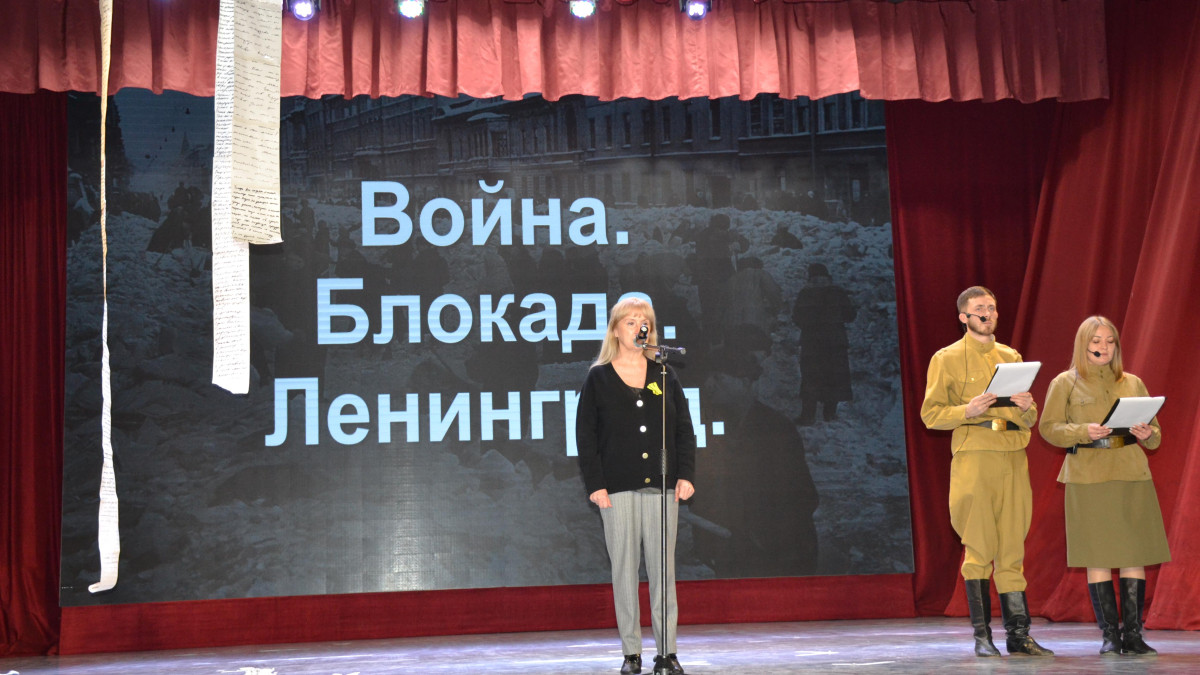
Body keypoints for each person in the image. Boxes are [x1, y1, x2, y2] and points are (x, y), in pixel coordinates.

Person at [920, 286, 1053, 658]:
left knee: (1012, 549)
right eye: (980, 308)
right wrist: (968, 410)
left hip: (1013, 454)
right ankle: (982, 637)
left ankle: (1019, 635)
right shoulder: (946, 358)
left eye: (992, 308)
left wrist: (1027, 406)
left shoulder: (1010, 357)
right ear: (963, 316)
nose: (988, 314)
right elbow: (930, 415)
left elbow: (1030, 417)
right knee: (978, 547)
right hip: (975, 455)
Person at [576, 297, 696, 675]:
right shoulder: (598, 378)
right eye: (630, 322)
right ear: (615, 330)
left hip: (662, 488)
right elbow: (586, 436)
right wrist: (596, 484)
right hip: (617, 488)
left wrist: (685, 474)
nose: (638, 327)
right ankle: (632, 653)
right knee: (624, 572)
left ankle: (667, 652)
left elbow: (684, 429)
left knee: (663, 572)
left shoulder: (664, 375)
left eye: (644, 322)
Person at [1037, 316, 1168, 656]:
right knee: (1098, 555)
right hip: (1088, 476)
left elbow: (1155, 437)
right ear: (1083, 344)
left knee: (1134, 554)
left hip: (1131, 474)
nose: (1103, 347)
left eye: (1110, 341)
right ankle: (1110, 635)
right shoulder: (1064, 382)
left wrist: (1147, 433)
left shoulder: (1133, 382)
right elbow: (1049, 428)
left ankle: (1133, 635)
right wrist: (1082, 431)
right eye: (1096, 340)